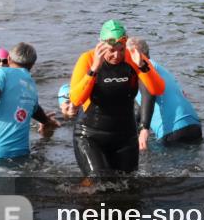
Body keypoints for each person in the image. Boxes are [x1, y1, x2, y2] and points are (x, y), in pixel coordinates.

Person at [68, 20, 164, 178]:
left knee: (129, 187)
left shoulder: (133, 57)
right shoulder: (87, 59)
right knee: (99, 180)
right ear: (101, 45)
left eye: (121, 49)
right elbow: (76, 99)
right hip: (90, 135)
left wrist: (142, 66)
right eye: (111, 50)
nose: (117, 55)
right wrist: (94, 70)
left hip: (125, 136)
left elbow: (158, 89)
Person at [126, 37, 203, 149]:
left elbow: (148, 96)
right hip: (194, 126)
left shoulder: (142, 69)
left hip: (172, 133)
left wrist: (143, 130)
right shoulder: (160, 69)